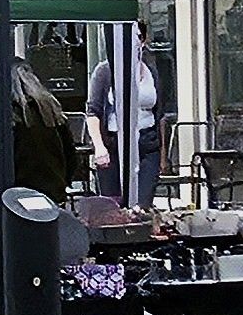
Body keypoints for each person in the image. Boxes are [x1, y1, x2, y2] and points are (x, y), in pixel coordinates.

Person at [86, 31, 163, 207]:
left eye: (137, 36)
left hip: (147, 141)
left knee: (142, 204)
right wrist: (99, 147)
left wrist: (163, 155)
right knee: (112, 205)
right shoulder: (105, 71)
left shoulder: (151, 71)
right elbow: (93, 112)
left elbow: (160, 114)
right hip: (114, 143)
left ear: (143, 41)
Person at [10, 57, 84, 199]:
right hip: (52, 190)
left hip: (18, 194)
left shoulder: (10, 114)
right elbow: (70, 155)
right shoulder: (50, 109)